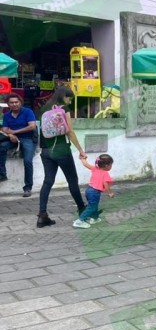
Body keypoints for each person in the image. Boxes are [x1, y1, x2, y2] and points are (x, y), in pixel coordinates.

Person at [37, 86, 87, 228]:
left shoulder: (44, 108)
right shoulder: (64, 109)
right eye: (69, 99)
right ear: (64, 96)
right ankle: (82, 210)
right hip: (61, 150)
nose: (69, 102)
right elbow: (69, 131)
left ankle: (42, 215)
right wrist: (80, 150)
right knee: (72, 181)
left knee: (48, 181)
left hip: (46, 151)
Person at [0, 93, 37, 197]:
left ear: (20, 102)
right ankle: (2, 174)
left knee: (28, 161)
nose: (14, 104)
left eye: (16, 102)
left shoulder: (28, 112)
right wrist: (10, 135)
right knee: (1, 147)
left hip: (28, 138)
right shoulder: (7, 115)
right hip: (13, 139)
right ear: (8, 104)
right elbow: (5, 129)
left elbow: (32, 126)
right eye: (11, 103)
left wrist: (14, 132)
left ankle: (28, 188)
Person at [73, 154, 115, 228]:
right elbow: (106, 184)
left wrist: (82, 159)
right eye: (111, 164)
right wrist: (110, 193)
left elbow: (86, 164)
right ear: (106, 165)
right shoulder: (105, 173)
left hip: (89, 190)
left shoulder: (95, 169)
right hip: (95, 192)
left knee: (94, 205)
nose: (111, 166)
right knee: (92, 207)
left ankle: (95, 218)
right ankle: (79, 221)